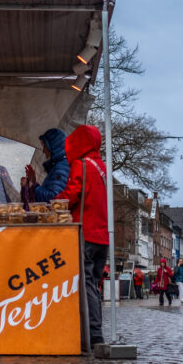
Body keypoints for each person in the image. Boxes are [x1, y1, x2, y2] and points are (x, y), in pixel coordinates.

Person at [57, 124, 109, 348]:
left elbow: (73, 193)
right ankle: (93, 329)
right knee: (94, 284)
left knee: (85, 283)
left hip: (85, 232)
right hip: (103, 235)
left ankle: (93, 333)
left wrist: (55, 204)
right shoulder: (102, 166)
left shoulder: (81, 165)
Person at [21, 128, 70, 202]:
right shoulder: (59, 165)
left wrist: (31, 186)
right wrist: (33, 181)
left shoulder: (61, 168)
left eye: (45, 145)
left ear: (53, 146)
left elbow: (54, 199)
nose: (43, 150)